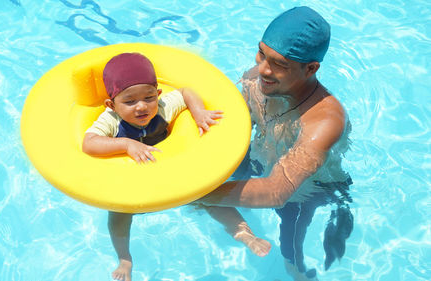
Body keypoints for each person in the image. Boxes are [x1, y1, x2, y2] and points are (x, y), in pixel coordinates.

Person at [81, 53, 269, 281]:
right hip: (131, 180)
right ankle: (125, 259)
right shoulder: (110, 119)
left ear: (158, 94)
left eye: (148, 97)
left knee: (208, 195)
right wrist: (126, 144)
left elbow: (186, 92)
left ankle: (245, 235)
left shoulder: (162, 107)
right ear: (112, 104)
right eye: (130, 101)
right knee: (118, 212)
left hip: (173, 172)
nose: (141, 107)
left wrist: (199, 113)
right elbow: (88, 143)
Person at [197, 6, 353, 281]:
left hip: (308, 187)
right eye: (261, 54)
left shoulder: (324, 121)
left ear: (311, 68)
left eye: (279, 64)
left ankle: (299, 270)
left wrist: (192, 194)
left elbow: (276, 192)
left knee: (290, 239)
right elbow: (231, 129)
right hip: (260, 156)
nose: (263, 70)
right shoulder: (253, 79)